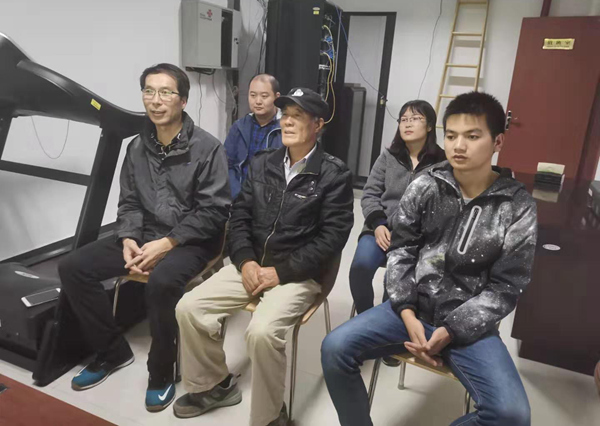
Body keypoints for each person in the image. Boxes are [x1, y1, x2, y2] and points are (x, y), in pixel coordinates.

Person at [321, 91, 537, 426]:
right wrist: (407, 313)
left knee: (512, 415)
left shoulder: (516, 205)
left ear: (498, 141)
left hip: (469, 325)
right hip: (412, 309)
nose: (458, 146)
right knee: (335, 348)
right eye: (451, 136)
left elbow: (507, 286)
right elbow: (402, 250)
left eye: (472, 136)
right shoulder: (427, 184)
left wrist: (452, 329)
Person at [174, 87, 354, 426]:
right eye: (285, 115)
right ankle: (213, 386)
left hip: (297, 274)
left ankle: (269, 417)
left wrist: (280, 272)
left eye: (298, 116)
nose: (287, 122)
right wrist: (245, 261)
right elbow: (239, 216)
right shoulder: (263, 163)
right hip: (252, 264)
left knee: (261, 332)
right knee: (189, 307)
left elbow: (331, 240)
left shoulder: (334, 175)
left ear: (318, 125)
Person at [58, 63, 230, 412]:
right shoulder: (137, 147)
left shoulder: (207, 148)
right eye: (149, 91)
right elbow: (130, 202)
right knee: (73, 267)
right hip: (146, 233)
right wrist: (128, 239)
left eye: (166, 92)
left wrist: (168, 243)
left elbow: (213, 211)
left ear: (183, 100)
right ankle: (111, 352)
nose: (156, 100)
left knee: (162, 283)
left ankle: (161, 371)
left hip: (194, 239)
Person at [351, 100, 445, 316]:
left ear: (430, 126)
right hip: (380, 229)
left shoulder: (442, 163)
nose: (408, 124)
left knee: (393, 279)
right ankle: (365, 317)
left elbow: (442, 206)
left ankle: (385, 321)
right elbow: (370, 193)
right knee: (360, 267)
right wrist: (378, 224)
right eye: (404, 120)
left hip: (416, 237)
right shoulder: (388, 156)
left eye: (415, 119)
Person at [224, 73, 282, 199]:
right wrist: (237, 196)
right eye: (253, 95)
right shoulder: (239, 127)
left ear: (277, 97)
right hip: (239, 197)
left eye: (264, 96)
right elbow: (227, 165)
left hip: (270, 199)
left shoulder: (285, 129)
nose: (258, 101)